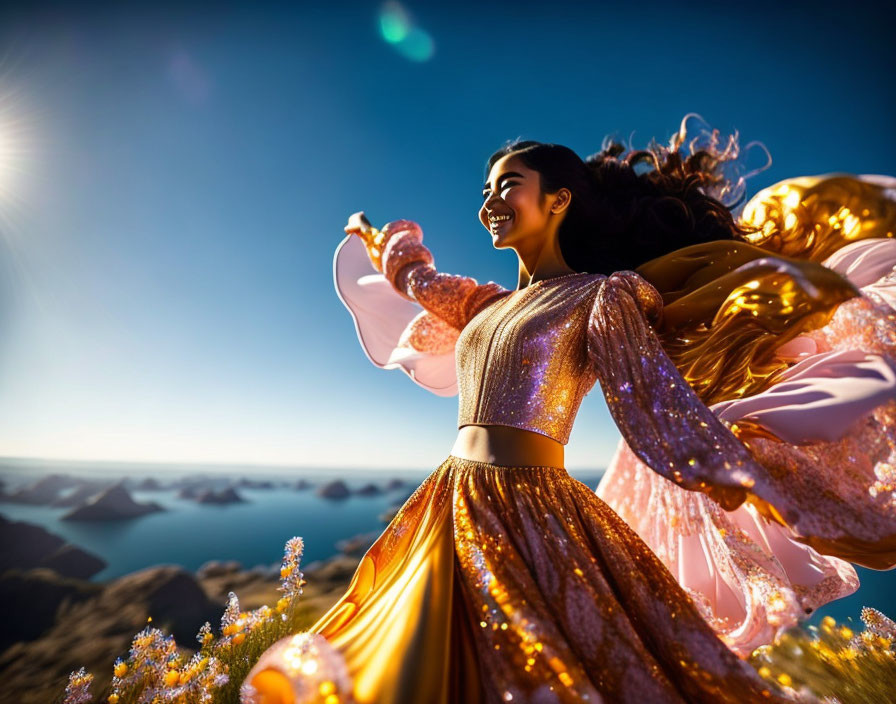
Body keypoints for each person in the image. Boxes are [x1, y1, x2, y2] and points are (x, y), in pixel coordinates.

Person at [240, 117, 896, 704]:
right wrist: (390, 246)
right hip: (449, 500)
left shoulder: (603, 296)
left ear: (558, 200)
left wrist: (746, 466)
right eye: (487, 192)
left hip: (532, 512)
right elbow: (419, 281)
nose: (491, 203)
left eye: (509, 186)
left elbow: (651, 401)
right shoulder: (484, 307)